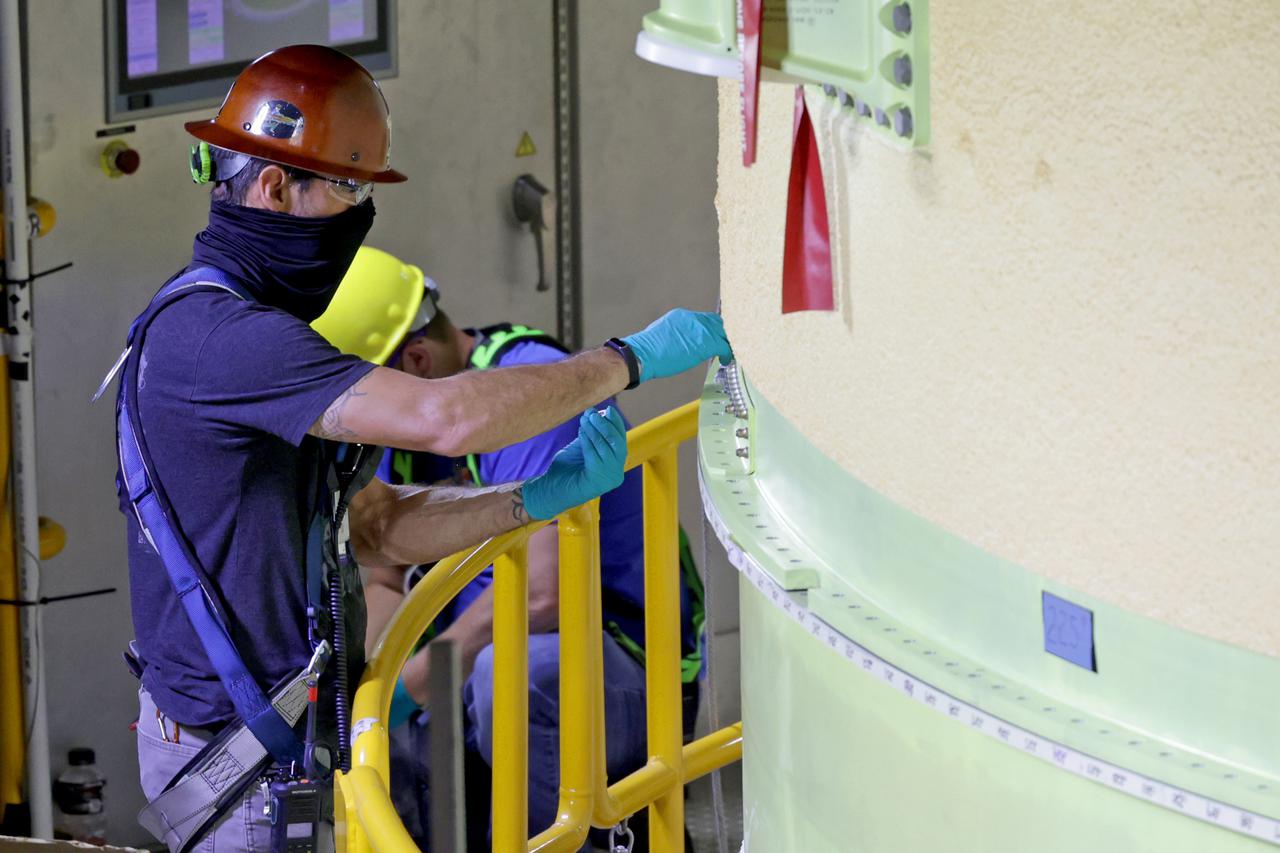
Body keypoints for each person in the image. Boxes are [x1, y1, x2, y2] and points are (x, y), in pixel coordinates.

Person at [109, 44, 731, 853]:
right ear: (275, 186)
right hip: (238, 754)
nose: (360, 214)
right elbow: (445, 418)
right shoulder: (222, 337)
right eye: (349, 188)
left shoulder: (248, 329)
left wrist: (524, 500)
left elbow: (375, 525)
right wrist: (625, 359)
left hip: (276, 740)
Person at [311, 248, 707, 845]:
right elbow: (387, 578)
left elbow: (542, 598)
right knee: (372, 707)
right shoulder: (404, 426)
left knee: (515, 676)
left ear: (414, 360)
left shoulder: (530, 394)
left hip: (623, 665)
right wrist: (365, 692)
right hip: (479, 656)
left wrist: (411, 685)